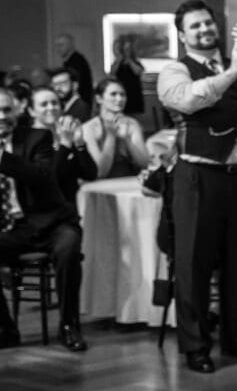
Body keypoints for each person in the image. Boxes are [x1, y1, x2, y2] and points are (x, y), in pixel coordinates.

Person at [157, 0, 237, 374]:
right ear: (182, 34)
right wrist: (232, 71)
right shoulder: (174, 70)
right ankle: (196, 345)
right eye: (195, 26)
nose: (204, 30)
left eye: (208, 23)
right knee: (194, 262)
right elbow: (189, 99)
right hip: (198, 177)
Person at [0, 87, 87, 352]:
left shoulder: (37, 138)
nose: (1, 116)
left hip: (51, 222)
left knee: (69, 249)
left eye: (5, 109)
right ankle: (6, 329)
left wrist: (2, 157)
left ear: (16, 110)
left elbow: (41, 175)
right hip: (11, 228)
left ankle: (69, 325)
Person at [27, 86, 97, 205]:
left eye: (55, 103)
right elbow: (51, 180)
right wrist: (65, 145)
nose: (51, 108)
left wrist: (79, 143)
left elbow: (90, 174)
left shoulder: (65, 134)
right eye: (44, 104)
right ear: (31, 111)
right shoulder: (27, 141)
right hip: (44, 213)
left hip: (70, 209)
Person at [81, 78, 149, 179]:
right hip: (102, 188)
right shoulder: (89, 128)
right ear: (99, 99)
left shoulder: (132, 124)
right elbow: (100, 173)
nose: (119, 99)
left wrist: (126, 139)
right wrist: (111, 136)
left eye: (123, 94)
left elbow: (145, 163)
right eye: (113, 94)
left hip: (130, 183)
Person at [108, 37, 145, 115]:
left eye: (128, 49)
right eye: (124, 49)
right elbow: (112, 74)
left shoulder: (135, 62)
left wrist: (129, 60)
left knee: (134, 116)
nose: (126, 51)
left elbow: (138, 72)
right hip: (120, 93)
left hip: (133, 94)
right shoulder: (117, 63)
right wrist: (119, 59)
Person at [54, 33, 94, 105]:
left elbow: (76, 84)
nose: (58, 49)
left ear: (70, 45)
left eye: (61, 45)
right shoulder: (71, 60)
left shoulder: (77, 61)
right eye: (56, 46)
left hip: (79, 102)